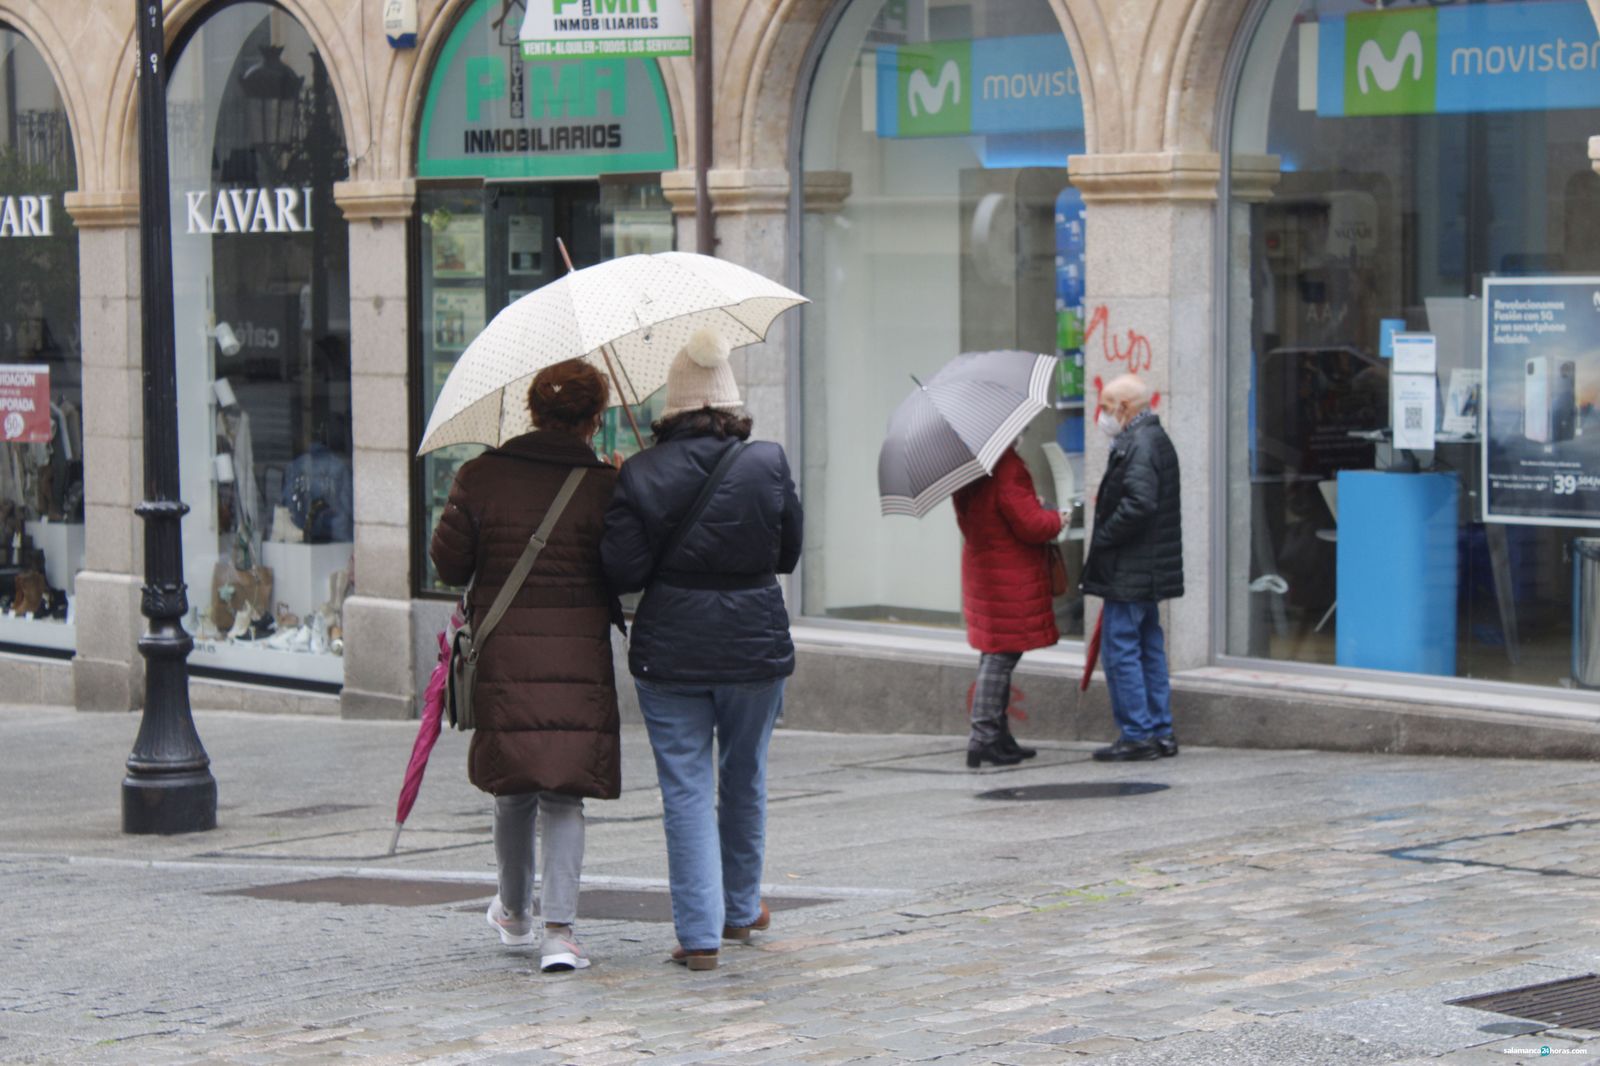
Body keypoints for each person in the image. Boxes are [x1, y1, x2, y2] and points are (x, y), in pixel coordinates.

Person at [601, 329, 803, 972]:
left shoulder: (639, 471)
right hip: (753, 644)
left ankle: (699, 935)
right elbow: (788, 555)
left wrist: (628, 496)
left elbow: (623, 572)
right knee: (745, 776)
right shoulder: (767, 461)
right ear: (729, 403)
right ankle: (740, 909)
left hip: (673, 651)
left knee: (685, 787)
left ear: (672, 408)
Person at [429, 359, 623, 974]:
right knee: (564, 791)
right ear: (595, 418)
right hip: (577, 659)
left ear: (532, 411)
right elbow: (628, 569)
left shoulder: (481, 475)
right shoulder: (603, 487)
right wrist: (628, 490)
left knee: (512, 785)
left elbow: (449, 565)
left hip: (505, 655)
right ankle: (559, 935)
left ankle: (514, 913)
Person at [1082, 373, 1184, 762]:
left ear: (1124, 408)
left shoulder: (1137, 443)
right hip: (1146, 569)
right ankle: (1160, 731)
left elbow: (1140, 504)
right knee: (1148, 647)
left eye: (1106, 406)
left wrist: (1105, 535)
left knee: (1121, 649)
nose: (1102, 414)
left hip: (1130, 569)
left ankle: (1138, 735)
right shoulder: (1153, 438)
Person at [952, 447, 1065, 768]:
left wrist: (1031, 506)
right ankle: (984, 736)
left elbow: (990, 514)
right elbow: (1031, 526)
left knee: (996, 651)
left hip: (985, 567)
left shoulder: (968, 465)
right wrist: (1057, 517)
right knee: (1002, 654)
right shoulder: (1006, 466)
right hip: (1009, 573)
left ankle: (998, 738)